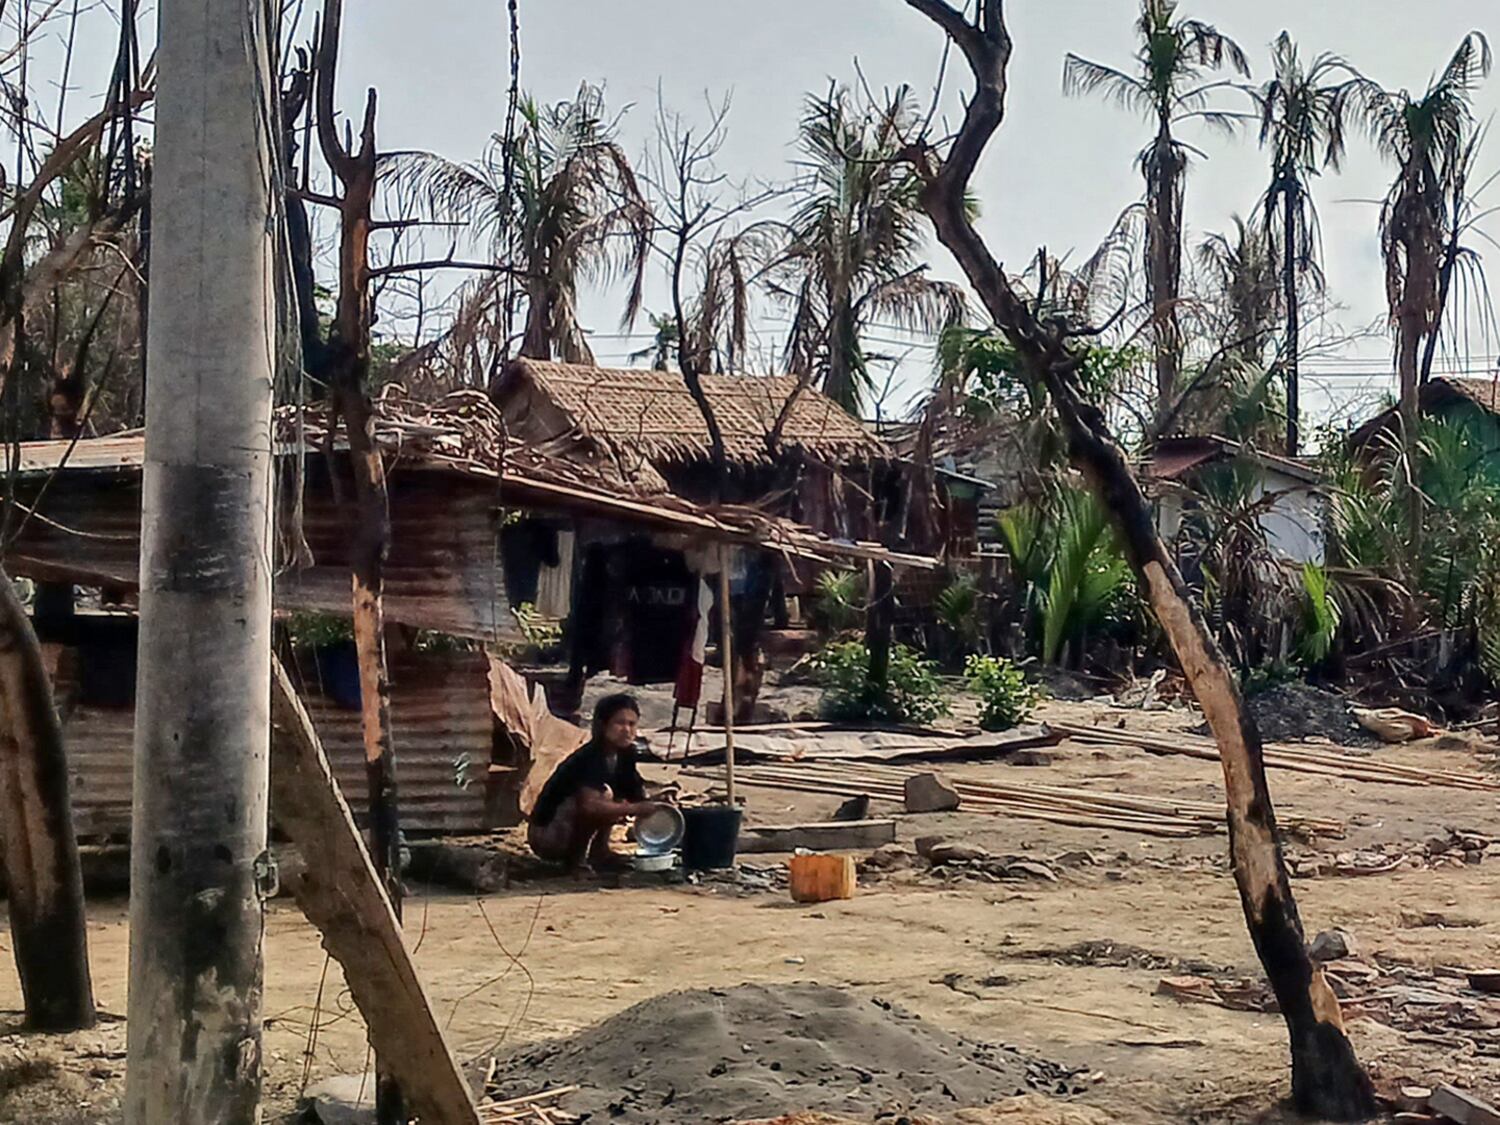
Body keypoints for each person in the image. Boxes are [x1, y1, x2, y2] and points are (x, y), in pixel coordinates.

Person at [527, 692, 658, 872]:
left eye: (632, 724)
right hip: (548, 835)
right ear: (603, 725)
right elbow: (590, 806)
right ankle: (575, 860)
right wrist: (635, 809)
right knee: (603, 797)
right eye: (620, 723)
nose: (627, 730)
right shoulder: (591, 756)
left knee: (615, 800)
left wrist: (657, 803)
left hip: (567, 828)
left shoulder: (625, 754)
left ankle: (599, 852)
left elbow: (635, 794)